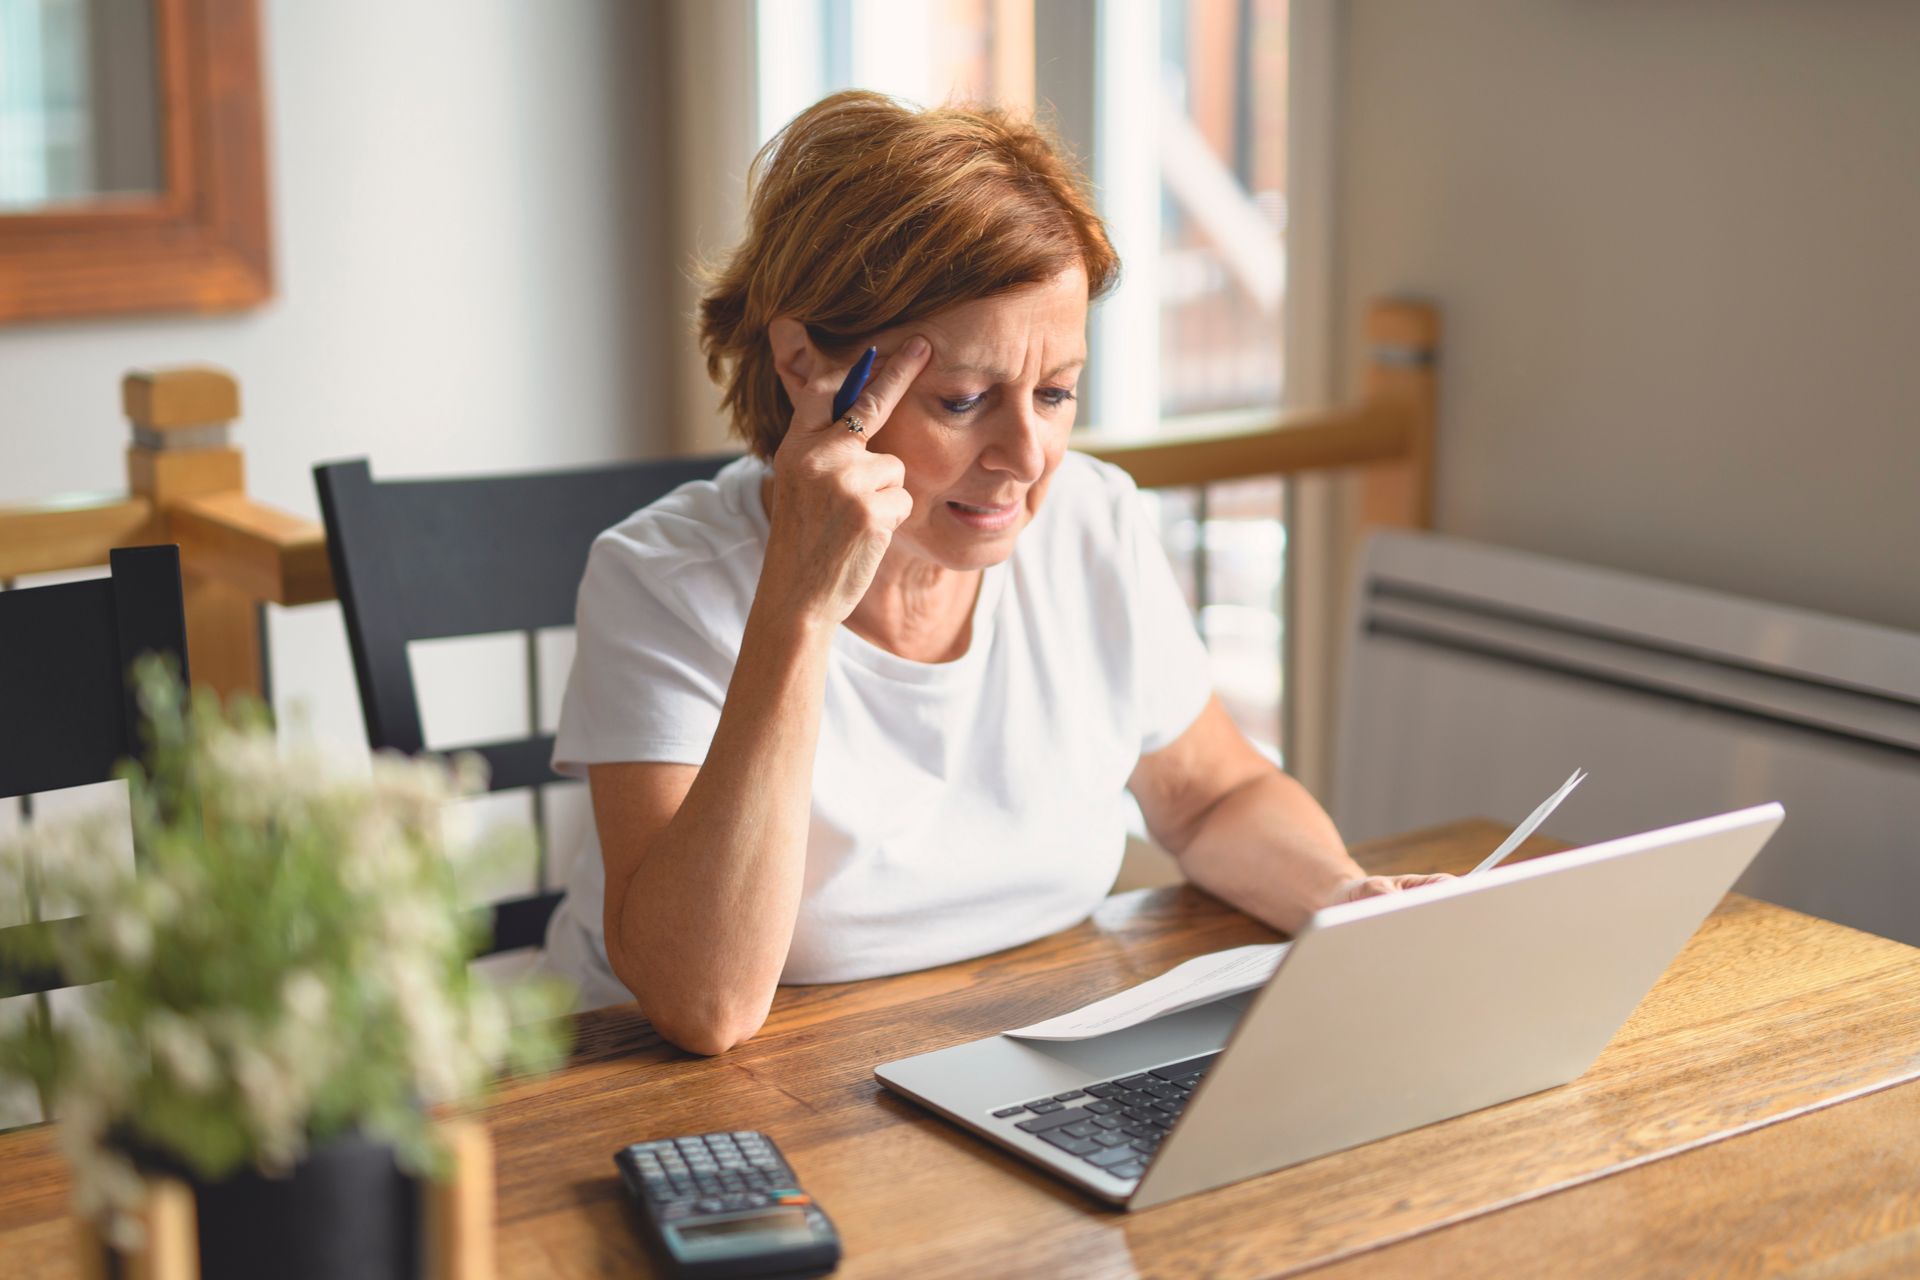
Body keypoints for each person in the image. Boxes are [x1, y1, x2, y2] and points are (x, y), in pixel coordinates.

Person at [545, 91, 1446, 1054]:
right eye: (964, 399)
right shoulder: (660, 581)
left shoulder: (1094, 520)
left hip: (1013, 1042)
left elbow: (1210, 797)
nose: (1027, 455)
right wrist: (800, 611)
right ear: (805, 360)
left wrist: (1340, 896)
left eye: (1056, 391)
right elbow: (706, 1004)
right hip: (679, 1096)